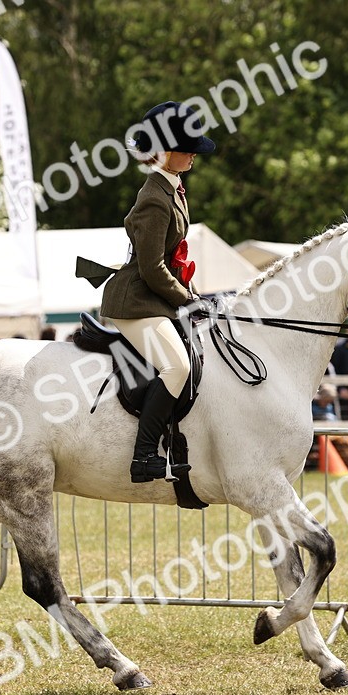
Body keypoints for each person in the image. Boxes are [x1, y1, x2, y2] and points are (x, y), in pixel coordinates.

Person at [98, 101, 214, 482]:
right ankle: (144, 455)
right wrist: (186, 299)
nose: (194, 152)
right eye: (186, 147)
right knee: (177, 365)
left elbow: (173, 257)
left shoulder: (172, 188)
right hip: (136, 301)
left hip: (154, 296)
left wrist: (196, 292)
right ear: (163, 151)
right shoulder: (153, 196)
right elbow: (151, 268)